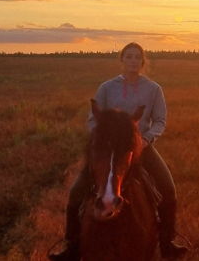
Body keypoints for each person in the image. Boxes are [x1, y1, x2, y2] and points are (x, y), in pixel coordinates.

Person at [49, 42, 188, 261]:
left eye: (137, 57)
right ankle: (71, 245)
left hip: (140, 147)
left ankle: (167, 241)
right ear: (121, 60)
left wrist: (146, 139)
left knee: (168, 188)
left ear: (143, 61)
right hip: (106, 152)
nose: (133, 61)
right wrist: (101, 141)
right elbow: (93, 118)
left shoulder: (153, 89)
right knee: (76, 191)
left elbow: (160, 120)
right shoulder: (107, 88)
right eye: (129, 56)